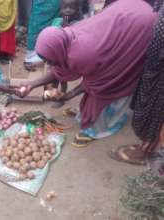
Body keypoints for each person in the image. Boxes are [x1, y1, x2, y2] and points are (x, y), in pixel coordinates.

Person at [17, 0, 156, 148]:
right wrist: (31, 85)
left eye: (50, 60)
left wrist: (68, 95)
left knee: (108, 85)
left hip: (139, 26)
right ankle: (86, 113)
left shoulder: (82, 55)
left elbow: (91, 83)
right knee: (97, 82)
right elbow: (58, 70)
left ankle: (102, 128)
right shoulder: (66, 37)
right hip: (128, 10)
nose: (50, 64)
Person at [109, 0, 164, 165]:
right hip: (155, 65)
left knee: (158, 110)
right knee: (149, 106)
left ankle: (147, 152)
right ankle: (149, 146)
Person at [50, 0, 89, 109]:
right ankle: (53, 94)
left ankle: (61, 97)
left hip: (67, 56)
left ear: (77, 9)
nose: (67, 10)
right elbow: (52, 33)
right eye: (64, 7)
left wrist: (67, 26)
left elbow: (77, 39)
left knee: (63, 78)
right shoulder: (57, 21)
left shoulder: (78, 24)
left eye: (71, 8)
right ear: (60, 8)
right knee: (54, 76)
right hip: (55, 55)